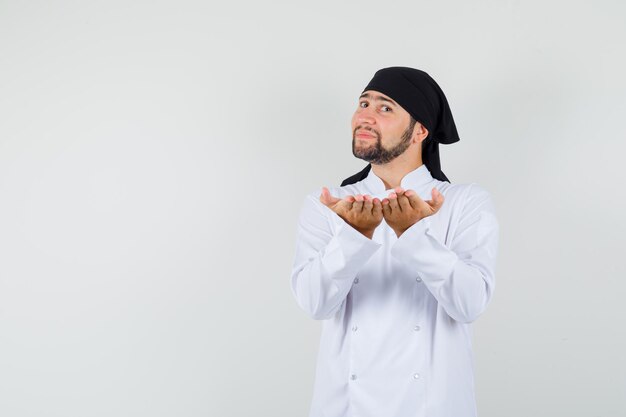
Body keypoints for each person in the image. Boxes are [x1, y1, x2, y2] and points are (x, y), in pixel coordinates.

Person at [290, 66, 500, 417]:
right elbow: (314, 304)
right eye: (363, 103)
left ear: (420, 130)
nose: (365, 116)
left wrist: (414, 234)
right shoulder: (329, 204)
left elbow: (470, 304)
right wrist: (354, 236)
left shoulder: (464, 202)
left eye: (385, 107)